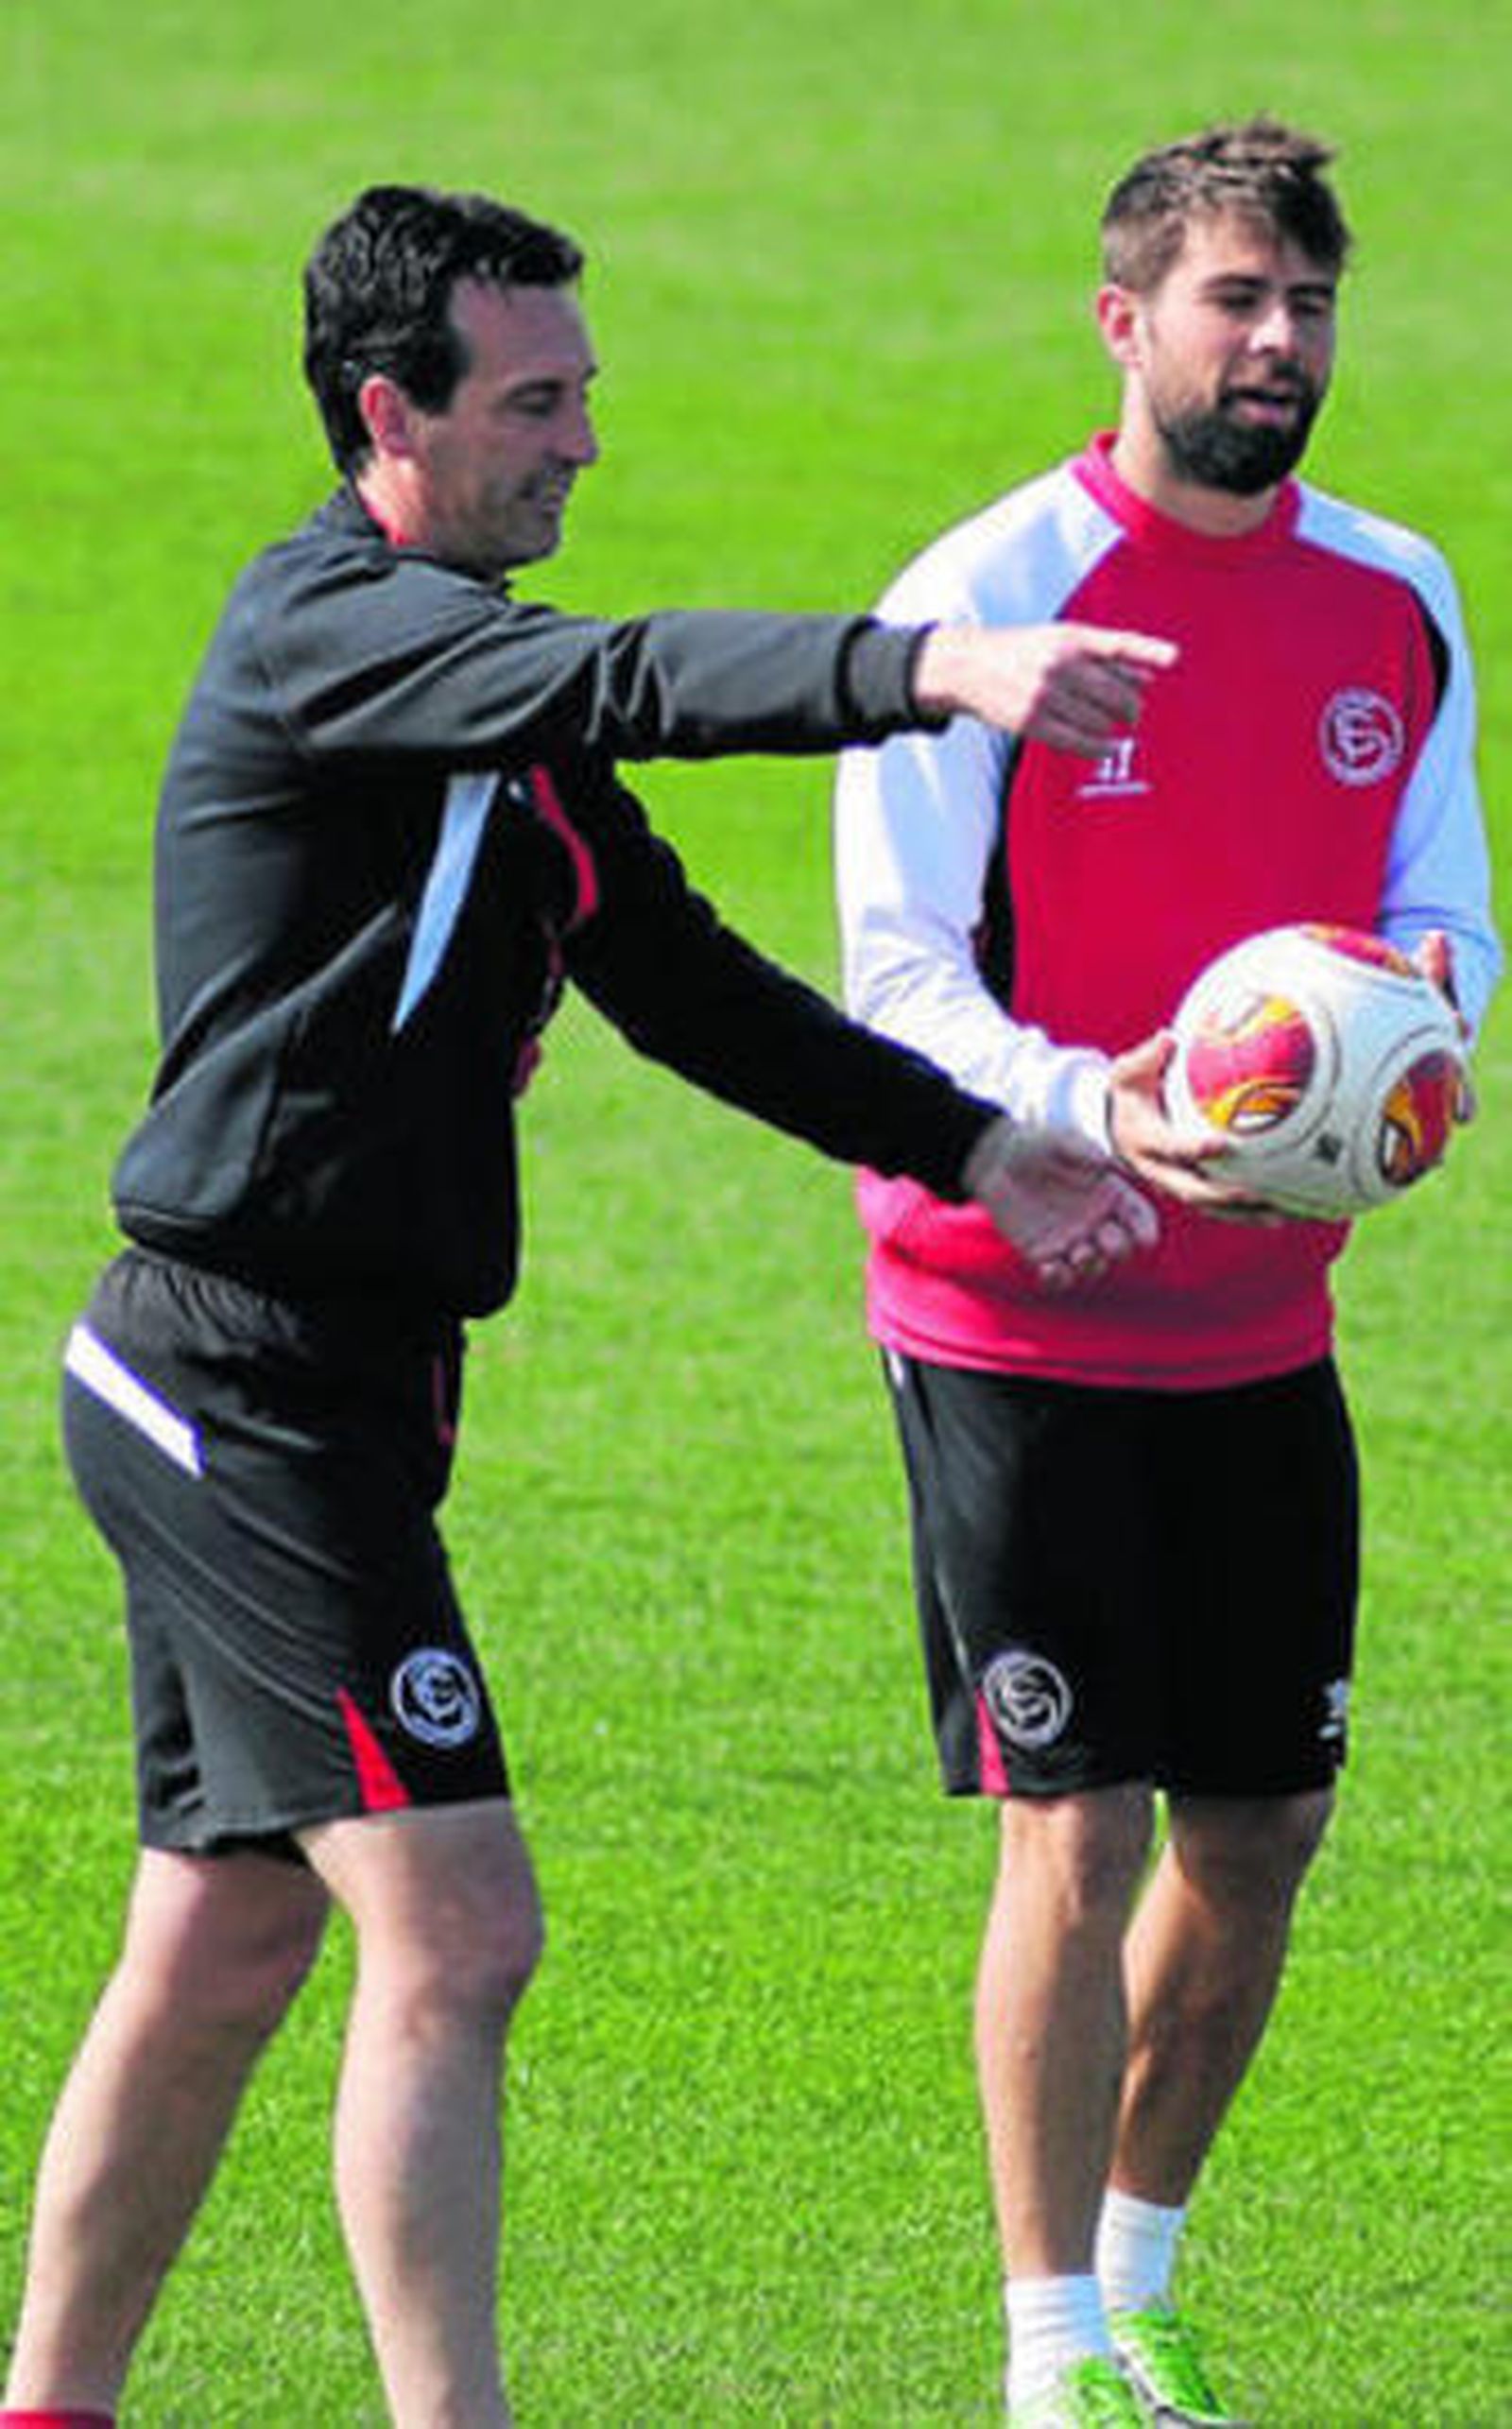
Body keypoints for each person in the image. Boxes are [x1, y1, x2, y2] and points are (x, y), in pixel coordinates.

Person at [0, 184, 1181, 2429]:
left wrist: (974, 1147)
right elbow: (621, 671)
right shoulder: (331, 633)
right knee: (457, 1927)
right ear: (392, 415)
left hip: (344, 1391)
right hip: (232, 1384)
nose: (581, 444)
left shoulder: (492, 697)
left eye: (582, 396)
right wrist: (925, 667)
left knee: (229, 1931)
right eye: (534, 403)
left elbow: (683, 980)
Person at [833, 118, 1500, 2428]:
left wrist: (1412, 1039)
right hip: (1006, 1304)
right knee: (1075, 1817)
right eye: (1232, 300)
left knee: (1258, 1829)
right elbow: (892, 976)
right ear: (1122, 321)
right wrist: (1092, 1109)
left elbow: (1439, 903)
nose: (1276, 342)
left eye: (1305, 302)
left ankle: (1134, 2292)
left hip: (1254, 1320)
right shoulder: (986, 598)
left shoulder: (1391, 594)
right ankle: (1043, 2357)